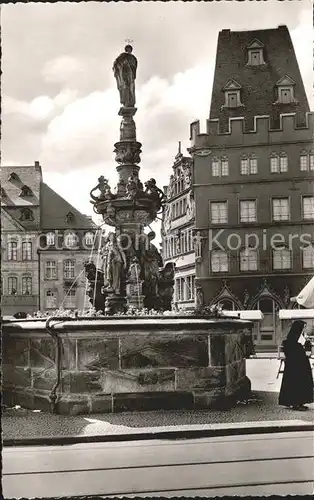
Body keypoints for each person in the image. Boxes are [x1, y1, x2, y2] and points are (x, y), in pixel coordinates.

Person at [279, 320, 314, 411]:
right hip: (296, 367)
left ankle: (299, 402)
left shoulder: (295, 339)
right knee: (297, 384)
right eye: (302, 328)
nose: (303, 330)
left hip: (299, 366)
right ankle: (296, 403)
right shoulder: (292, 341)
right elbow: (296, 354)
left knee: (300, 384)